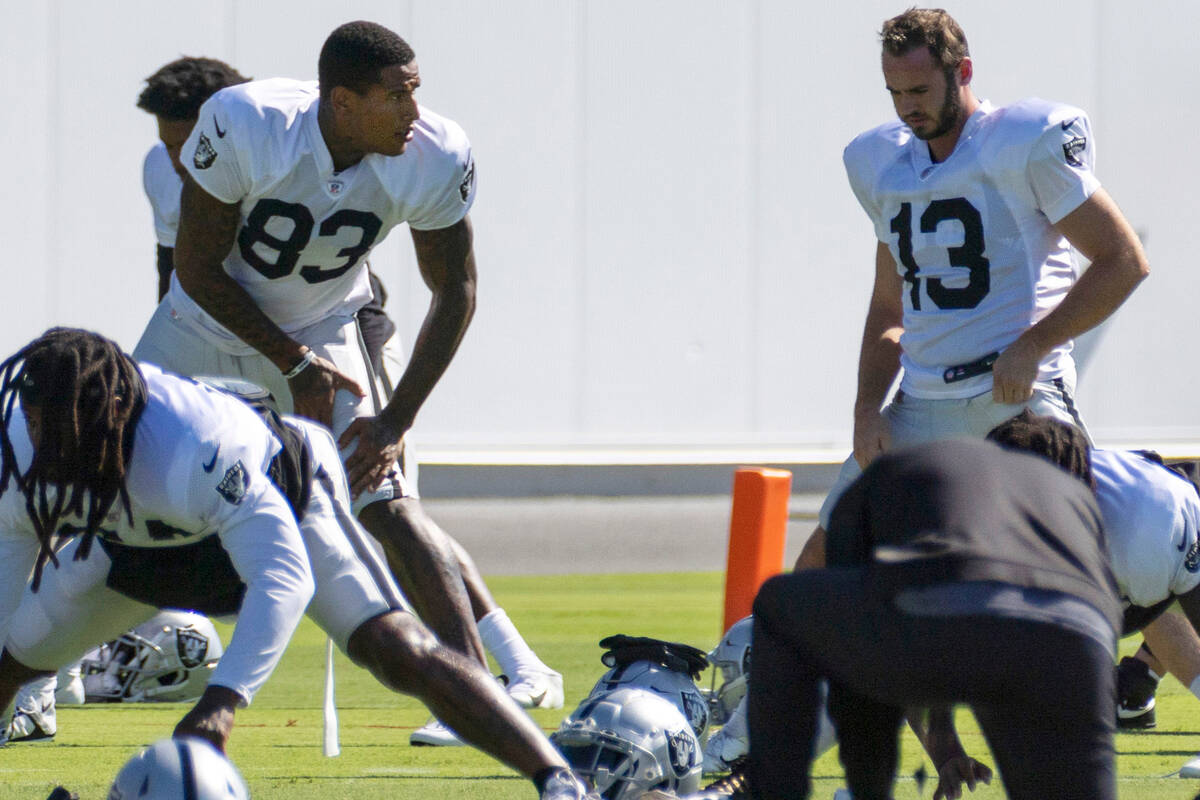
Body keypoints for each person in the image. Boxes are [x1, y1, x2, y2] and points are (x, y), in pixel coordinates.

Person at [131, 22, 562, 743]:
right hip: (203, 325)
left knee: (385, 500)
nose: (414, 114)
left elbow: (455, 290)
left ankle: (475, 689)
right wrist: (291, 364)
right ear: (341, 103)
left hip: (327, 323)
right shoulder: (251, 122)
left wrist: (395, 419)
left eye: (416, 92)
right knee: (99, 473)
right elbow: (196, 271)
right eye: (396, 96)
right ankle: (31, 686)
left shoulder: (431, 156)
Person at [0, 328, 590, 800]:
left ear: (120, 408)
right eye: (38, 426)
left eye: (70, 432)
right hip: (129, 551)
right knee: (6, 665)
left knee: (400, 650)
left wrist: (220, 705)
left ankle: (559, 781)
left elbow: (282, 577)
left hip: (291, 502)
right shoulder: (18, 456)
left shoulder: (196, 442)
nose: (53, 449)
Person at [797, 5, 1148, 571]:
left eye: (918, 89)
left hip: (1019, 401)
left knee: (1106, 560)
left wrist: (1033, 346)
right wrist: (867, 407)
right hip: (924, 400)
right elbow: (890, 307)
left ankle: (1158, 663)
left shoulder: (1024, 140)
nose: (907, 105)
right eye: (894, 92)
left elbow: (1123, 260)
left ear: (963, 71)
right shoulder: (879, 162)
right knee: (824, 556)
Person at [694, 437, 1121, 800]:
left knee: (778, 604)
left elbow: (870, 660)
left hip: (956, 615)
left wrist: (869, 786)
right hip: (1079, 631)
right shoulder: (1071, 496)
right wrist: (946, 745)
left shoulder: (887, 483)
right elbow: (1003, 619)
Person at [136, 56, 399, 378]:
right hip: (239, 337)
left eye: (192, 143)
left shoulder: (286, 164)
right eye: (170, 145)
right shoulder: (160, 169)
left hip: (322, 330)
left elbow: (356, 298)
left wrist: (366, 387)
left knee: (356, 423)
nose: (181, 160)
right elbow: (173, 265)